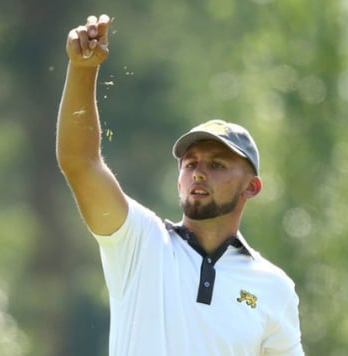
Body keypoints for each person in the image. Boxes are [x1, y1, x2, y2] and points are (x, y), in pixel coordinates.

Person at [56, 14, 304, 356]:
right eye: (191, 164)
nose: (199, 173)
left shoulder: (274, 288)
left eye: (216, 164)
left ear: (252, 188)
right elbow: (80, 163)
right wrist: (83, 70)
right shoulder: (139, 241)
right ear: (179, 180)